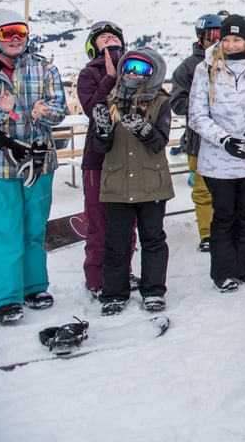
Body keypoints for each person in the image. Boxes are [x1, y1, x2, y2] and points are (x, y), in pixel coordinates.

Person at [0, 10, 66, 324]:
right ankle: (6, 297)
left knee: (34, 229)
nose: (15, 38)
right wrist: (1, 113)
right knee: (6, 231)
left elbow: (59, 109)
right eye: (7, 32)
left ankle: (34, 286)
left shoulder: (43, 68)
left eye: (20, 31)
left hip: (39, 164)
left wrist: (43, 112)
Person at [91, 47, 174, 316]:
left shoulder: (161, 102)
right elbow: (99, 146)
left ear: (153, 73)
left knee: (153, 238)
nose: (134, 75)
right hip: (117, 184)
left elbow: (160, 142)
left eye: (142, 70)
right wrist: (103, 130)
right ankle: (114, 292)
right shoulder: (108, 102)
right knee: (116, 240)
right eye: (130, 68)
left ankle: (153, 290)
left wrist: (145, 130)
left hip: (151, 183)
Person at [188, 14, 245, 291]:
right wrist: (224, 139)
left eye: (237, 39)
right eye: (227, 40)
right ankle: (223, 271)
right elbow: (196, 115)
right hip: (218, 160)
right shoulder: (205, 69)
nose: (231, 45)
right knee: (224, 215)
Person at [77, 20, 136, 297]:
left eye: (113, 36)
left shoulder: (136, 68)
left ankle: (123, 272)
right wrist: (109, 78)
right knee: (99, 221)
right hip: (98, 159)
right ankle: (97, 279)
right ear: (93, 47)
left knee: (127, 221)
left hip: (128, 155)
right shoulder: (89, 74)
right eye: (102, 38)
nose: (109, 39)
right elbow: (92, 109)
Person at [171, 13, 222, 252]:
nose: (215, 41)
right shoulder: (188, 68)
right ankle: (208, 233)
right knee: (203, 189)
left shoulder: (232, 64)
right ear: (200, 38)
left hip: (227, 138)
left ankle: (226, 229)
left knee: (229, 189)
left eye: (220, 36)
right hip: (199, 140)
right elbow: (177, 103)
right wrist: (203, 104)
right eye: (210, 36)